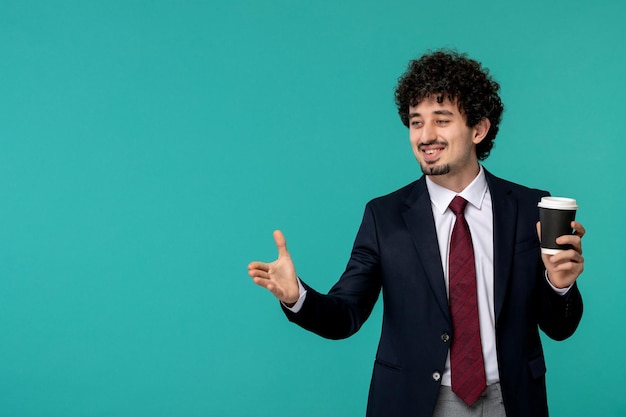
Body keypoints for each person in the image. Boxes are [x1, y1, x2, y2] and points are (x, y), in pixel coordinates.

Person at [247, 50, 585, 417]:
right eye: (415, 122)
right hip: (414, 402)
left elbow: (560, 327)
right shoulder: (385, 216)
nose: (426, 136)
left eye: (441, 120)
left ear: (478, 129)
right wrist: (298, 296)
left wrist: (560, 285)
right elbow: (346, 315)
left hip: (514, 400)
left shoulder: (531, 207)